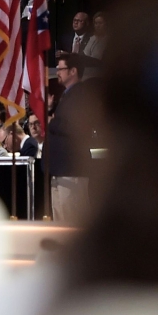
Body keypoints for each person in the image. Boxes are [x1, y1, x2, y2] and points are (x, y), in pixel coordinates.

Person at [46, 52, 96, 222]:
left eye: (61, 69)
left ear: (73, 71)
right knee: (61, 221)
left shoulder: (82, 94)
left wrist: (51, 122)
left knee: (73, 221)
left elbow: (75, 126)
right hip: (60, 169)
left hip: (72, 168)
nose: (57, 72)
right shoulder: (67, 95)